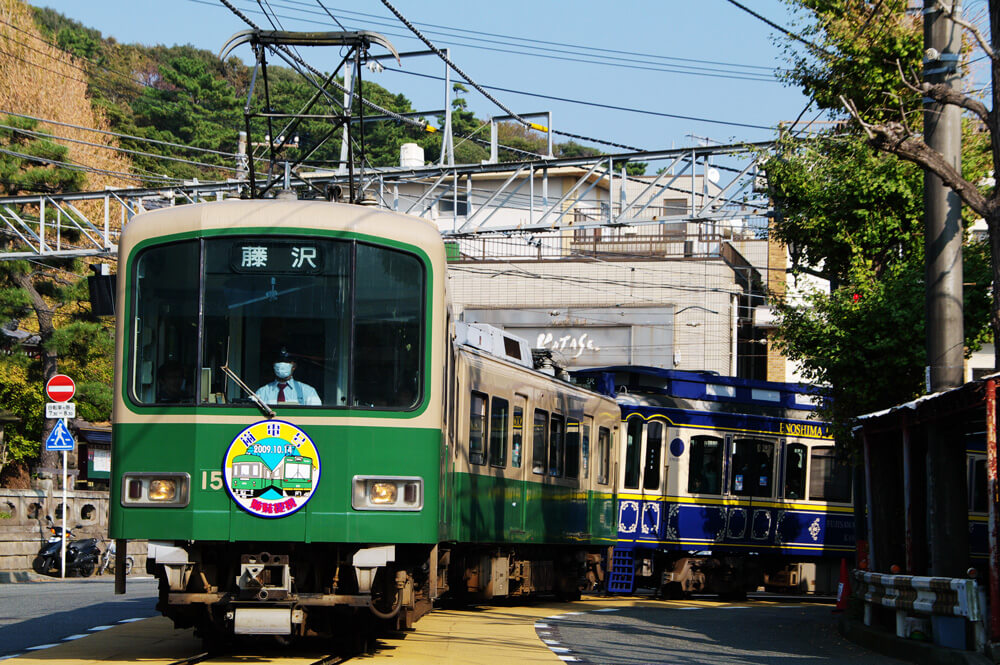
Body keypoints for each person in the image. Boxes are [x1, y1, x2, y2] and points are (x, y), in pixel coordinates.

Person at [256, 348, 321, 405]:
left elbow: (317, 415)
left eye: (287, 361)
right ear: (274, 365)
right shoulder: (262, 392)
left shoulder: (308, 391)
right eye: (279, 361)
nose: (282, 364)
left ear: (294, 366)